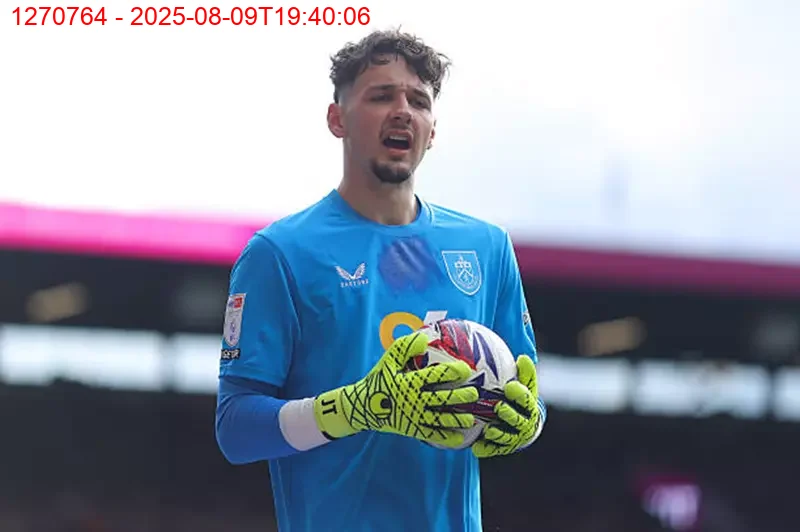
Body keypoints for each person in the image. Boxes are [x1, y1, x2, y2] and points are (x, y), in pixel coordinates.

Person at [215, 28, 547, 532]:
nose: (403, 111)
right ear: (337, 119)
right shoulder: (278, 254)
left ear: (431, 131)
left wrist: (527, 423)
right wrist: (354, 409)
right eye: (381, 96)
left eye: (419, 101)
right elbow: (235, 428)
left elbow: (526, 392)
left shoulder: (488, 248)